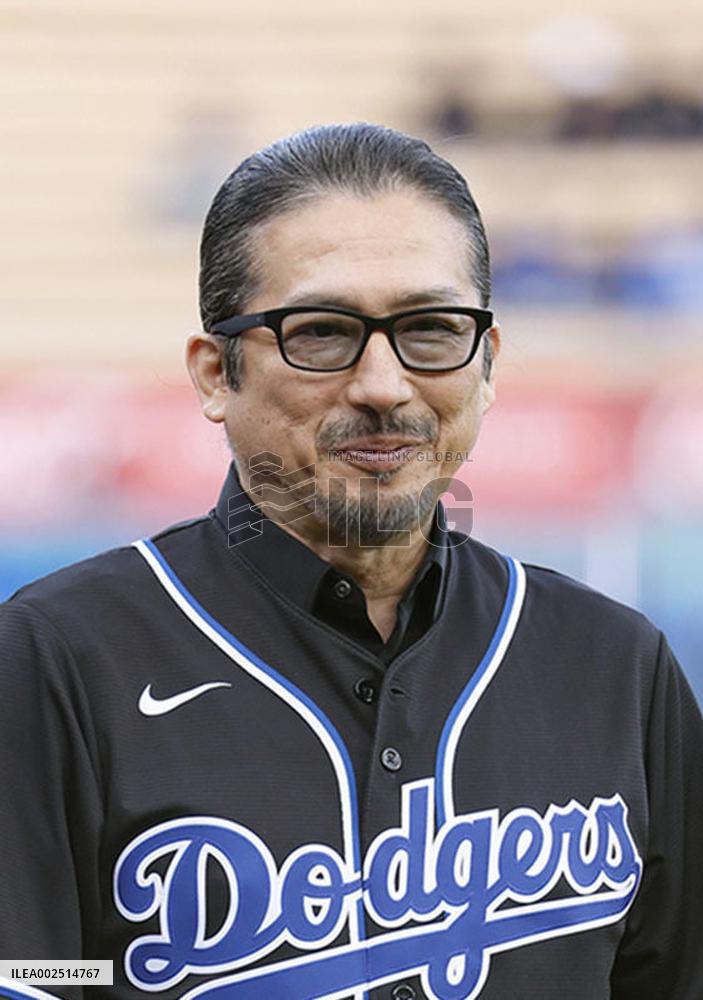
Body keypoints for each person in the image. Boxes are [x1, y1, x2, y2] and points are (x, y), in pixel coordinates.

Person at [0, 123, 701, 1000]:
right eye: (323, 332)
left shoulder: (617, 668)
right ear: (217, 372)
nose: (382, 385)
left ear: (485, 364)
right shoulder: (54, 656)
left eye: (431, 328)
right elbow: (28, 972)